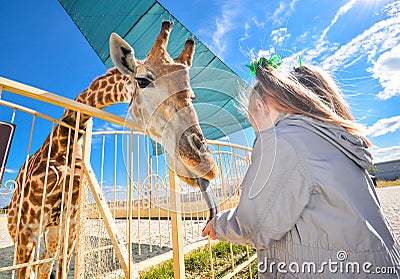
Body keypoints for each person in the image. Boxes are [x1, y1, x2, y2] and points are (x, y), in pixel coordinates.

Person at [202, 61, 400, 278]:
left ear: (262, 106)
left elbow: (254, 223)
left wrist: (218, 224)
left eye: (254, 125)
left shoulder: (283, 142)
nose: (257, 136)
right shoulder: (332, 139)